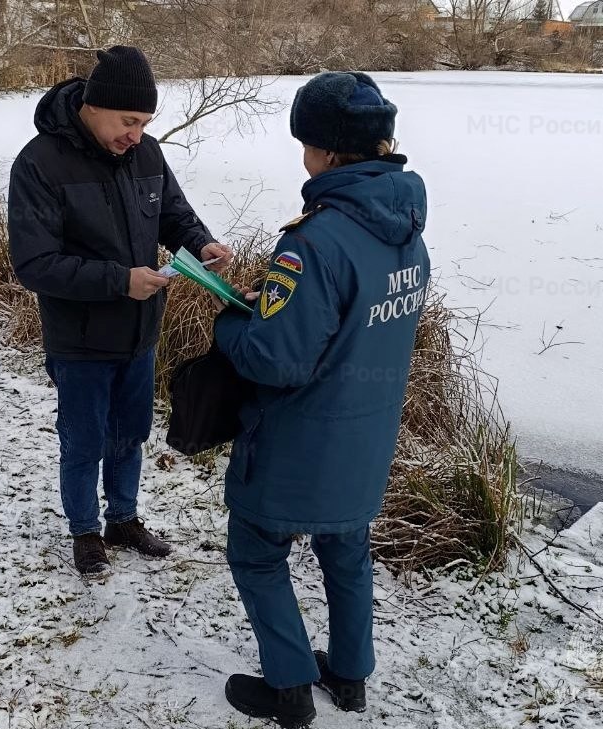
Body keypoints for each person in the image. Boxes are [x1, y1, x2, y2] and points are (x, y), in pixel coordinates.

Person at [211, 72, 431, 727]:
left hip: (296, 444)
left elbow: (276, 360)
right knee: (346, 549)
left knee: (255, 552)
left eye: (306, 141)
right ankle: (351, 674)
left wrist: (233, 322)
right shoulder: (408, 236)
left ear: (329, 154)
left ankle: (289, 688)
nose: (301, 153)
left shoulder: (312, 243)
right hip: (365, 441)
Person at [7, 46, 232, 576]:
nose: (137, 133)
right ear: (93, 104)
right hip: (80, 339)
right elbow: (35, 263)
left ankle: (124, 520)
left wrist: (201, 245)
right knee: (84, 441)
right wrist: (118, 281)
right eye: (129, 121)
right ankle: (85, 531)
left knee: (130, 433)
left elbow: (175, 216)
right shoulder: (40, 163)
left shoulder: (147, 155)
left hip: (140, 331)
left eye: (146, 122)